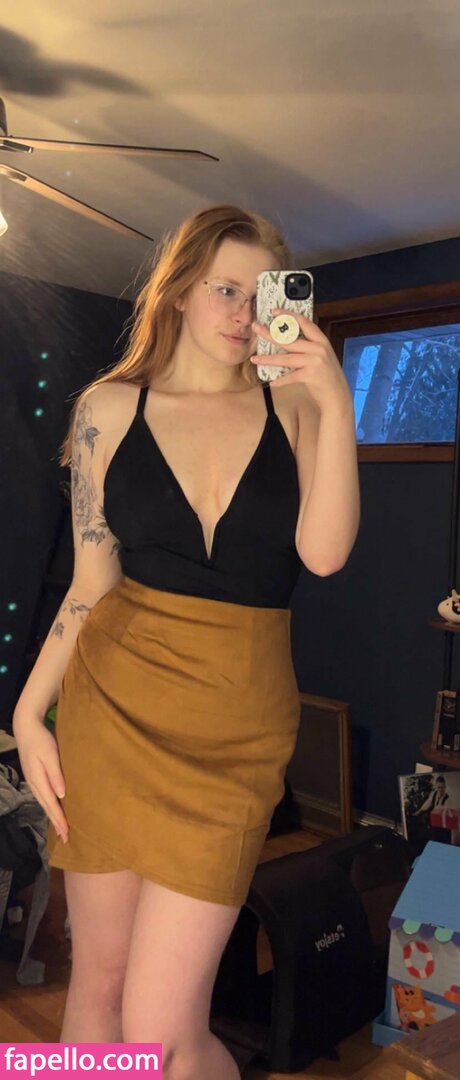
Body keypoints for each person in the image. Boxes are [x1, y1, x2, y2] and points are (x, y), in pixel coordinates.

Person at [12, 204, 360, 1078]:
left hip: (234, 736)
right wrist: (25, 713)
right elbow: (90, 583)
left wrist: (334, 398)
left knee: (162, 1029)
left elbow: (324, 555)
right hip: (111, 716)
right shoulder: (108, 408)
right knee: (99, 989)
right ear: (177, 292)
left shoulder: (295, 406)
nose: (244, 313)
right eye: (225, 290)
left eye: (261, 294)